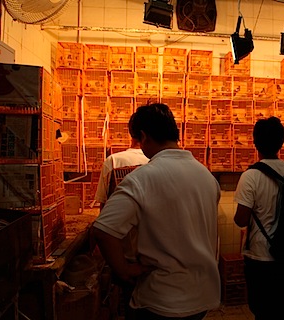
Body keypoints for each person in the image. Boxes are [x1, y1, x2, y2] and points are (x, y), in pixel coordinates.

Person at [92, 103, 221, 320]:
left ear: (143, 137)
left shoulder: (142, 179)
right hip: (203, 295)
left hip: (162, 299)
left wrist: (123, 270)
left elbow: (103, 230)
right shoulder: (206, 176)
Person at [233, 116, 284, 320]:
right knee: (283, 306)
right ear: (281, 142)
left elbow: (241, 220)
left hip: (260, 254)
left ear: (255, 143)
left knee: (262, 309)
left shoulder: (251, 176)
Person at [94, 113, 150, 210]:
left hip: (119, 218)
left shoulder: (113, 160)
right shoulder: (156, 160)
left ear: (131, 133)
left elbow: (103, 201)